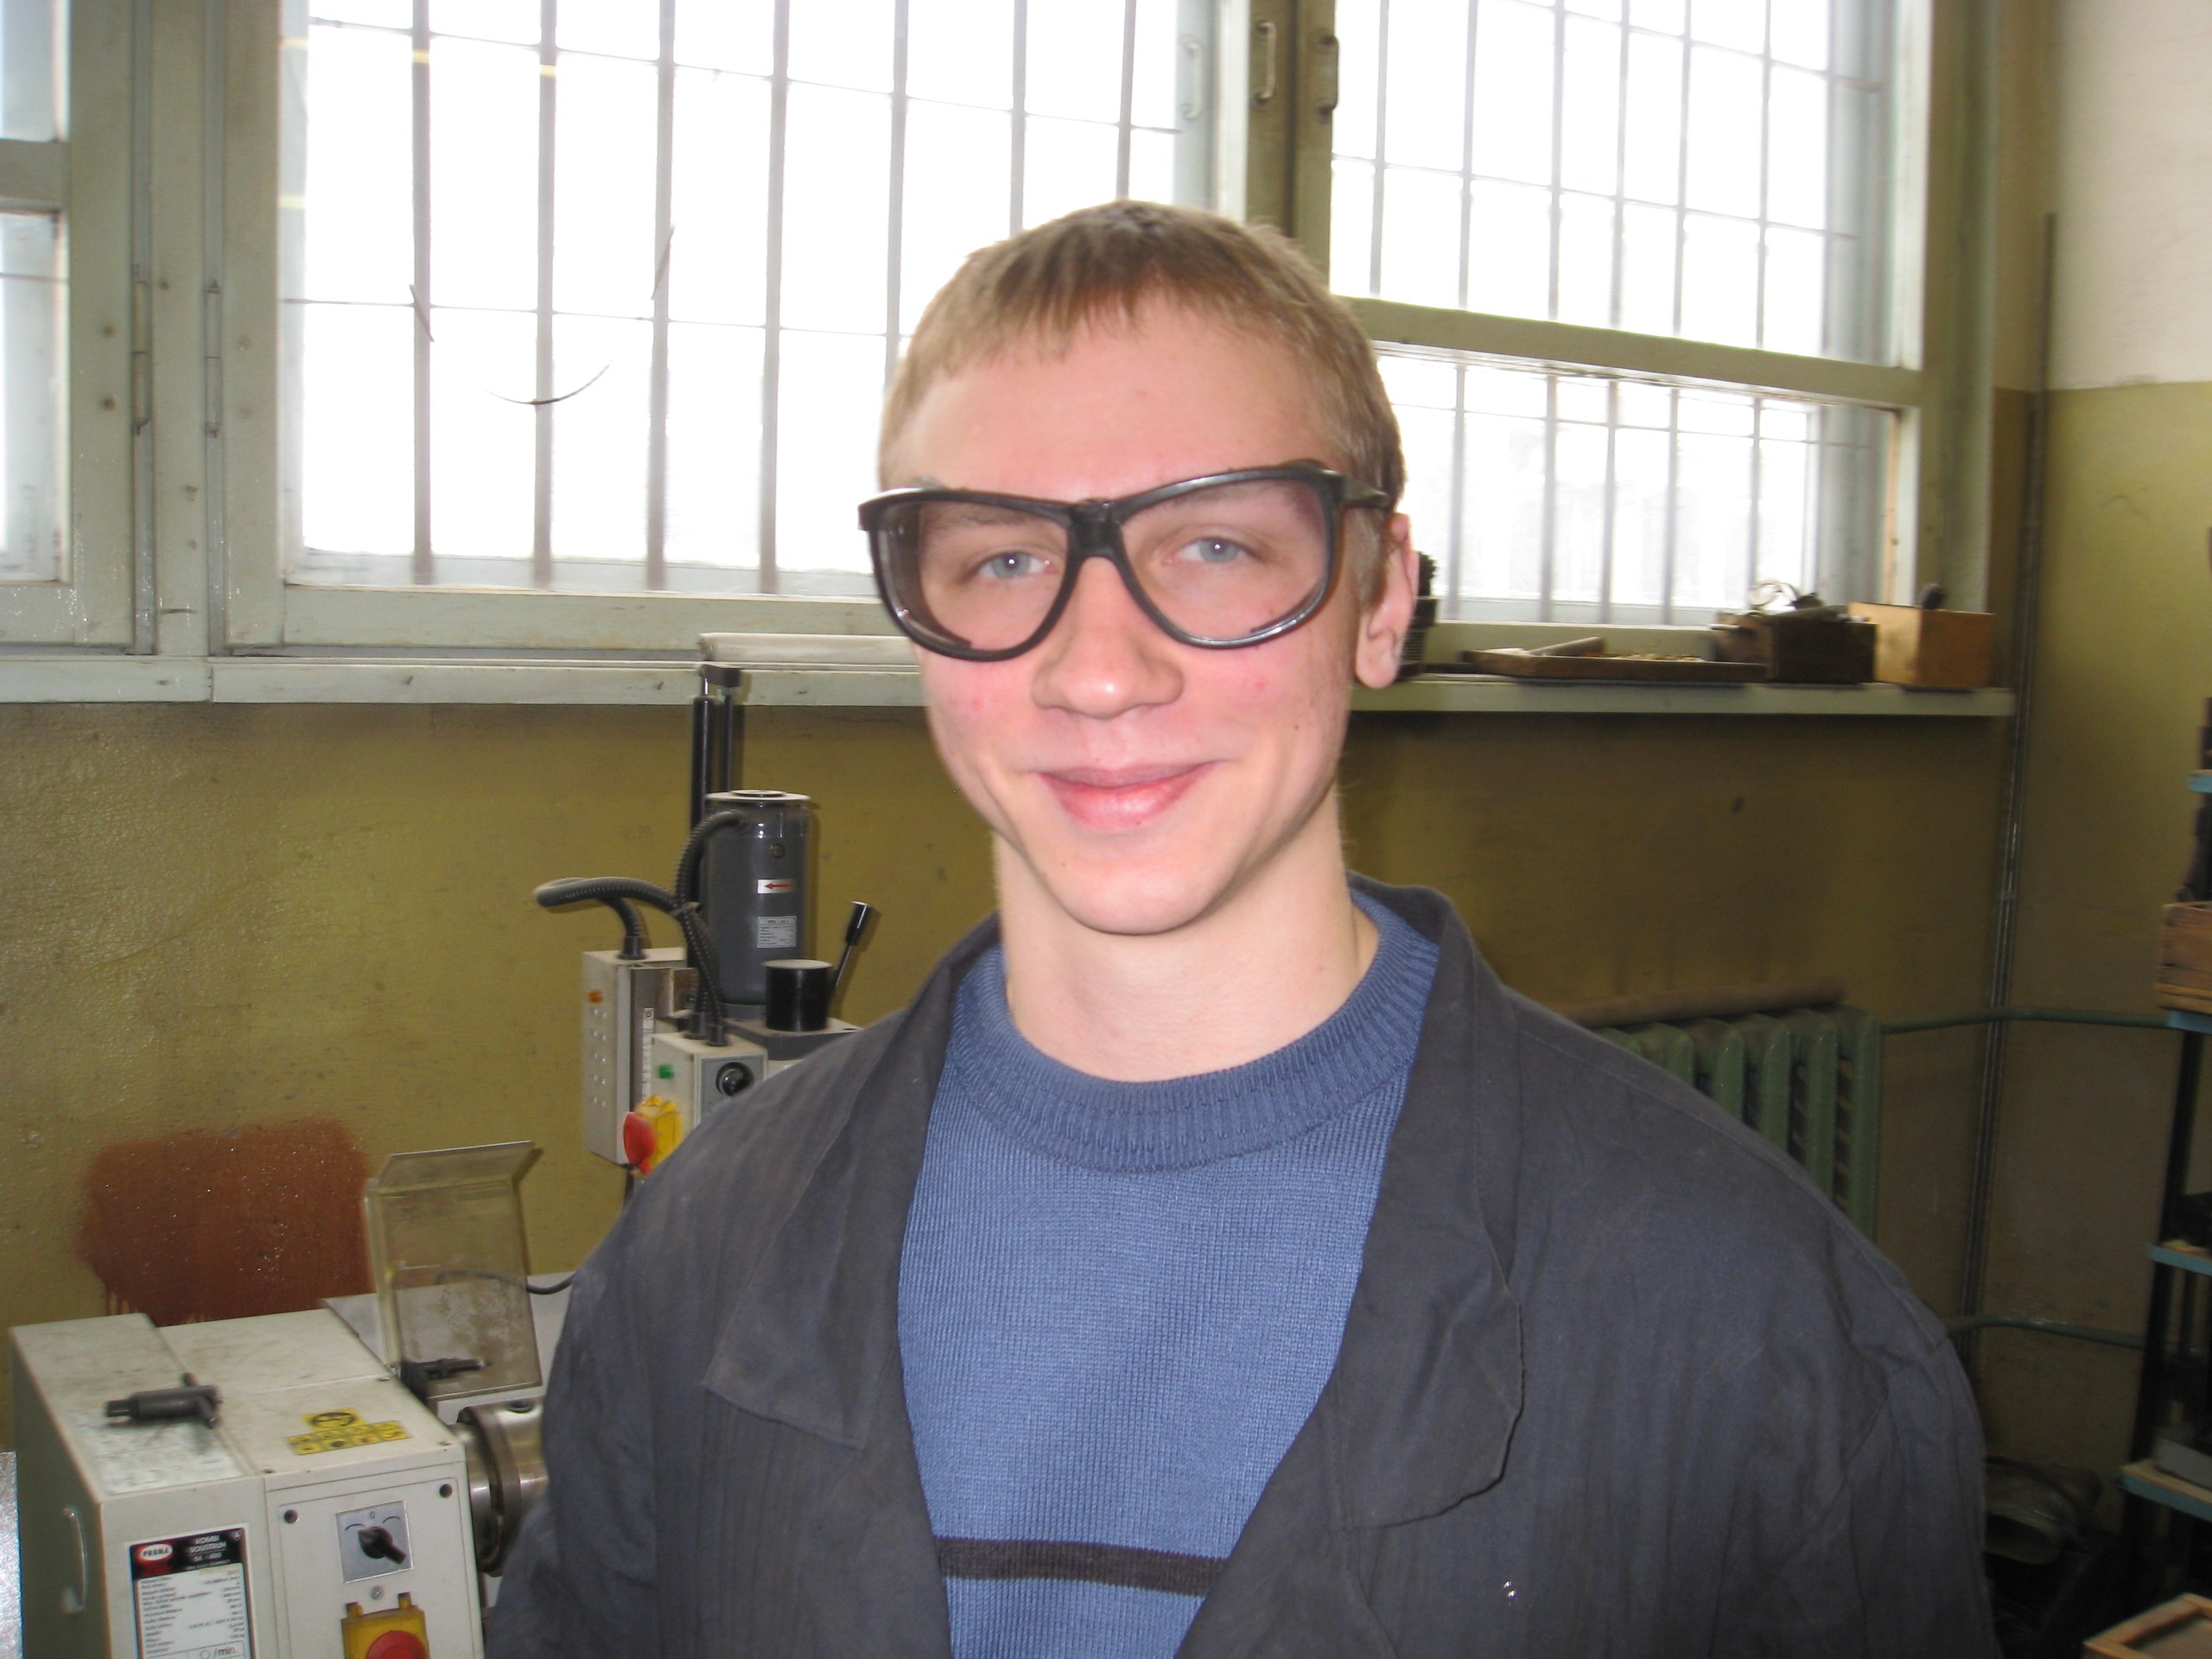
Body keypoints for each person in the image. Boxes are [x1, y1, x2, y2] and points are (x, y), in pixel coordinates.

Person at [489, 201, 1994, 1658]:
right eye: (1003, 559)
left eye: (1214, 546)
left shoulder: (1751, 1321)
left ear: (1381, 599)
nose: (1100, 671)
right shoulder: (695, 1253)